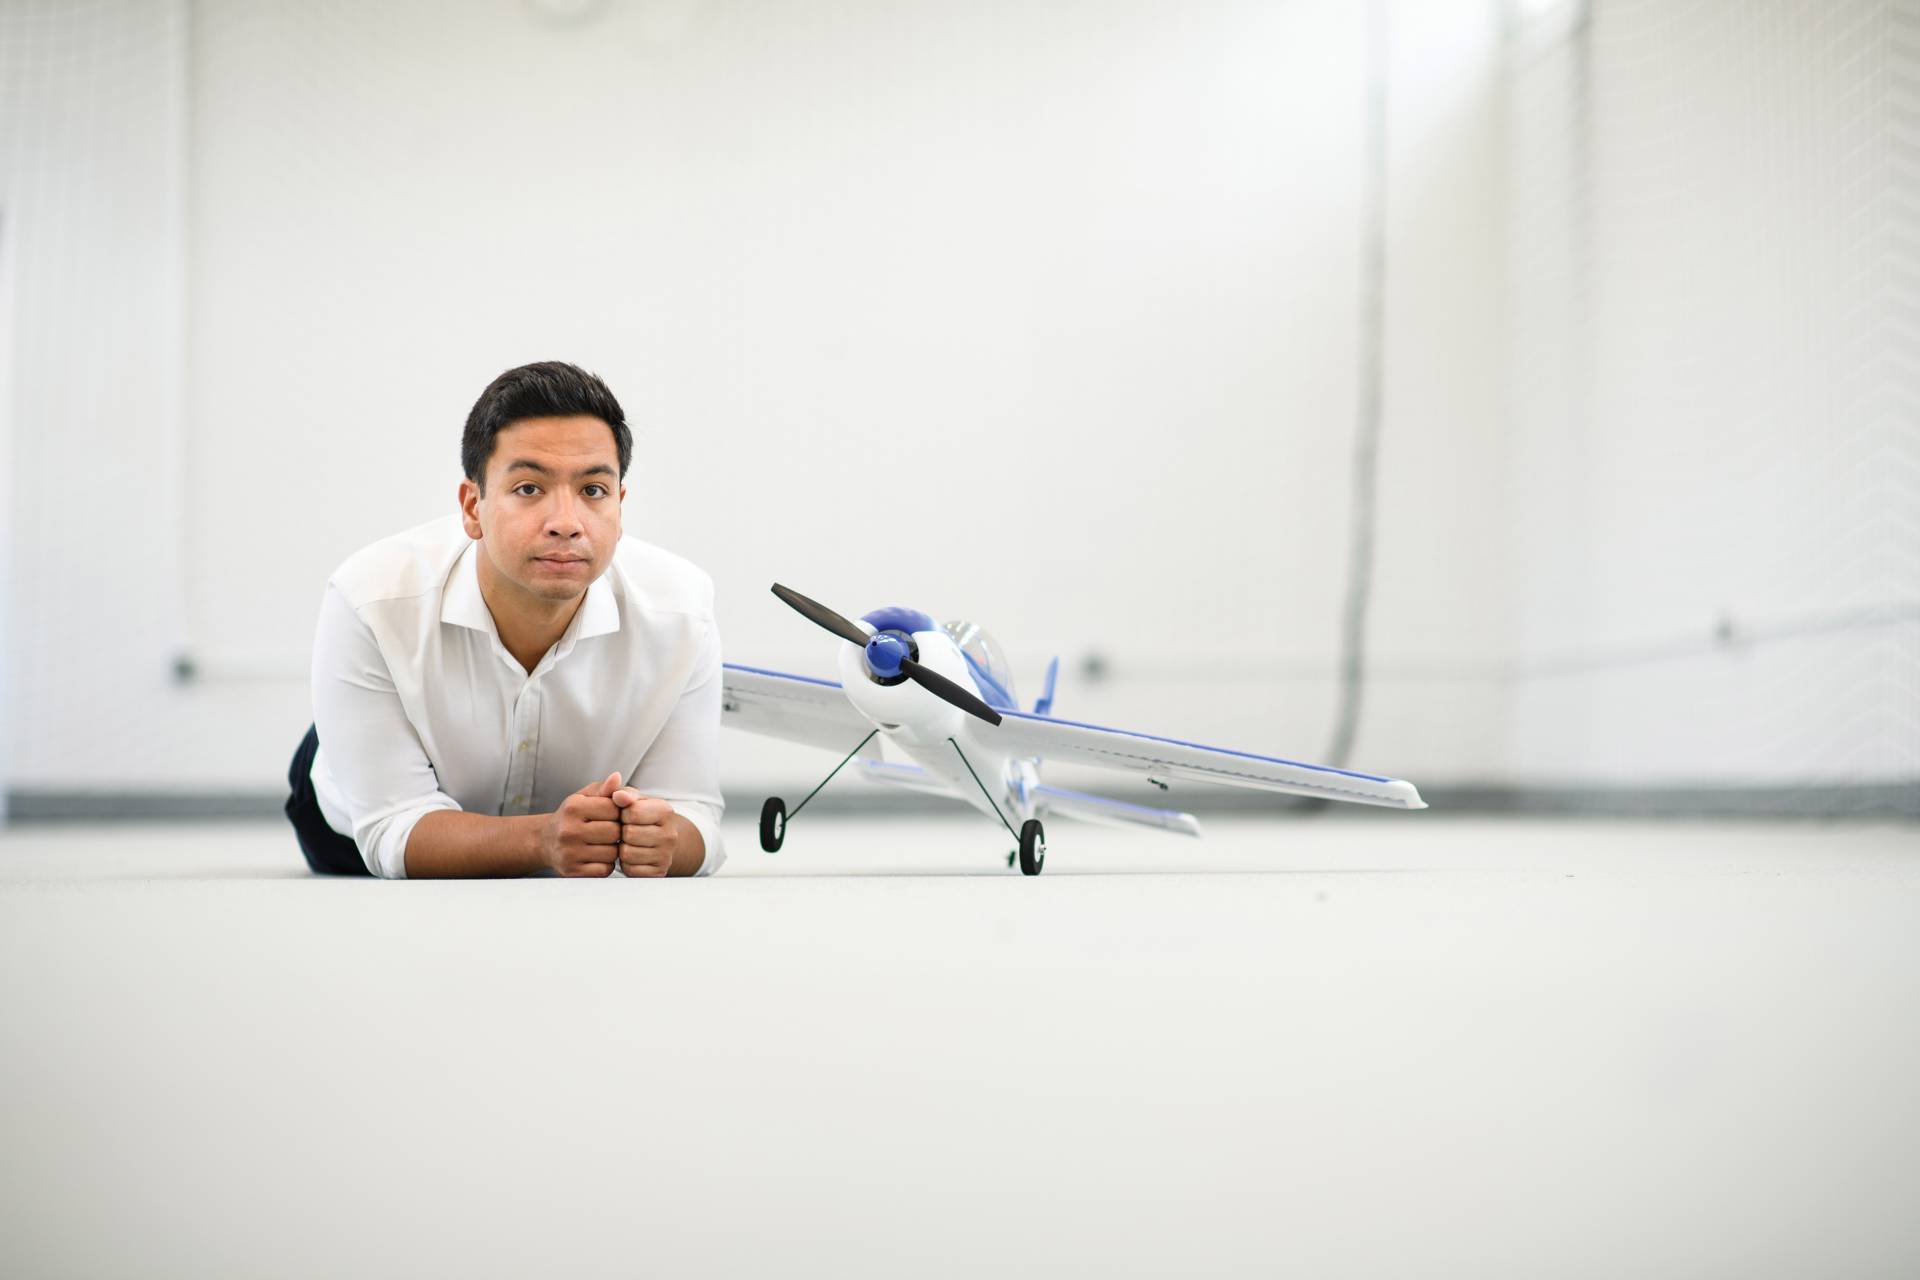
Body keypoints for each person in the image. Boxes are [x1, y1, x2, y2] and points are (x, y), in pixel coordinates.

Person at [283, 361, 725, 878]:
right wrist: (541, 839)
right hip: (364, 815)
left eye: (593, 491)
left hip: (574, 831)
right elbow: (391, 829)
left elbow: (696, 816)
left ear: (619, 508)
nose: (566, 524)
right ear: (473, 507)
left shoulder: (682, 612)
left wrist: (667, 839)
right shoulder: (369, 597)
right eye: (529, 489)